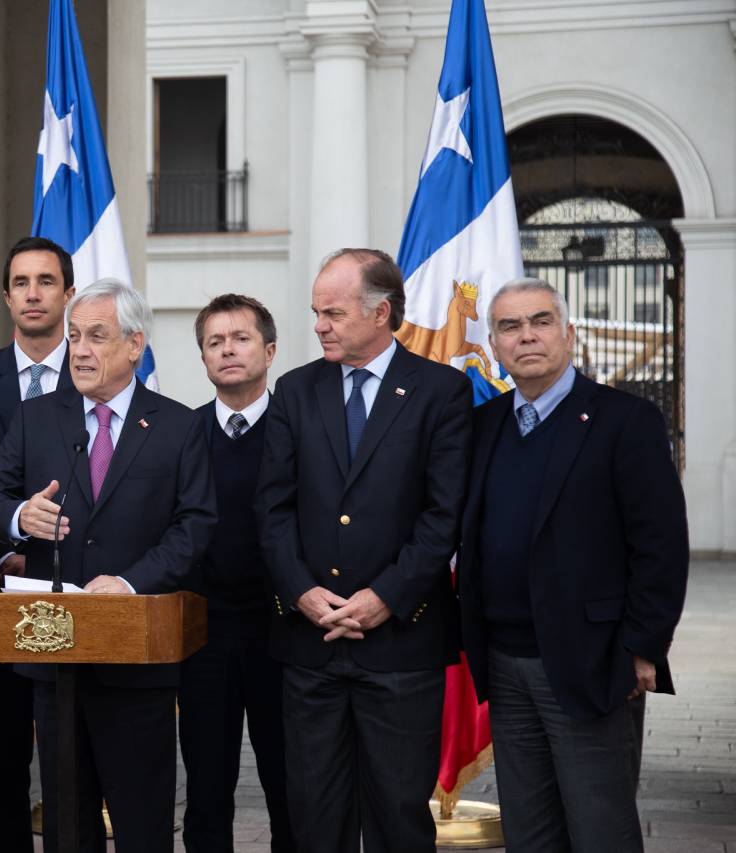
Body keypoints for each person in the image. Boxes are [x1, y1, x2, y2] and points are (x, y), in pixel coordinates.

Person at [0, 279, 216, 853]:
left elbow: (195, 525)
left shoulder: (178, 425)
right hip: (55, 654)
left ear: (134, 345)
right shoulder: (36, 418)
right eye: (75, 336)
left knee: (142, 821)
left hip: (137, 658)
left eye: (96, 337)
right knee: (67, 822)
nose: (80, 350)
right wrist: (20, 515)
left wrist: (130, 582)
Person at [457, 278, 688, 853]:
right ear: (494, 344)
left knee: (599, 828)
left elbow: (660, 545)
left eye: (540, 321)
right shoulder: (484, 426)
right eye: (509, 326)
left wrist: (644, 646)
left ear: (569, 334)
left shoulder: (625, 421)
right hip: (504, 663)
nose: (526, 336)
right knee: (529, 832)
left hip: (592, 660)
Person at [257, 249, 472, 852]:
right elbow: (271, 510)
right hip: (311, 645)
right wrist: (301, 592)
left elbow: (444, 516)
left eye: (333, 313)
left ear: (381, 313)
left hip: (402, 645)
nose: (319, 326)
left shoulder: (441, 392)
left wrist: (386, 596)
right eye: (316, 313)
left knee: (398, 819)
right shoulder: (295, 391)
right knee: (314, 820)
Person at [0, 236, 75, 851]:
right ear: (6, 297)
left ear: (68, 294)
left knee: (73, 767)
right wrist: (7, 550)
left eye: (46, 281)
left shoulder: (97, 376)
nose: (33, 293)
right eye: (21, 283)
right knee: (2, 765)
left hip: (77, 593)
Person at [181, 294, 293, 853]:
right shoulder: (182, 433)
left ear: (269, 351)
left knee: (290, 785)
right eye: (215, 342)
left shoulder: (300, 429)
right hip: (205, 634)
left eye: (241, 338)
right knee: (206, 787)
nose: (227, 350)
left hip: (285, 630)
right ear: (203, 357)